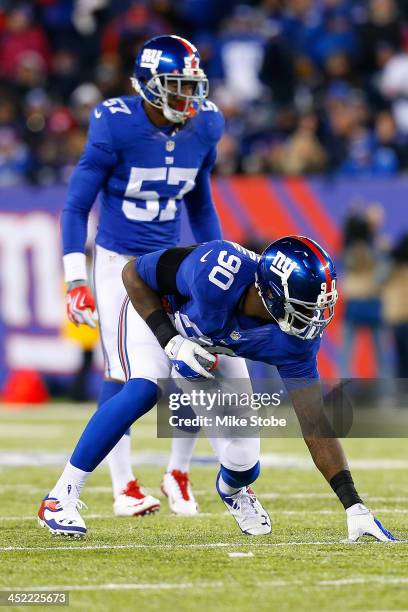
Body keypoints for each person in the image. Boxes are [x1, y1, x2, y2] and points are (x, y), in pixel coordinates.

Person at [38, 236, 395, 542]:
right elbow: (132, 273)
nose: (313, 320)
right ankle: (61, 496)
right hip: (156, 320)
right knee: (143, 391)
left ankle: (233, 491)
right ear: (271, 294)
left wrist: (354, 505)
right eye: (304, 309)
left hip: (211, 346)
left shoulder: (295, 343)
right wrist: (170, 341)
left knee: (243, 460)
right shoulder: (217, 270)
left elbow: (315, 423)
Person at [61, 35, 224, 517]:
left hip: (172, 261)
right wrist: (76, 279)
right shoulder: (115, 125)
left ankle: (178, 469)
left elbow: (200, 201)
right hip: (118, 263)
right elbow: (76, 205)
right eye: (176, 87)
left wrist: (216, 259)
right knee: (126, 374)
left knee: (199, 362)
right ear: (149, 86)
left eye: (192, 86)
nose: (187, 98)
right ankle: (123, 485)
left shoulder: (206, 124)